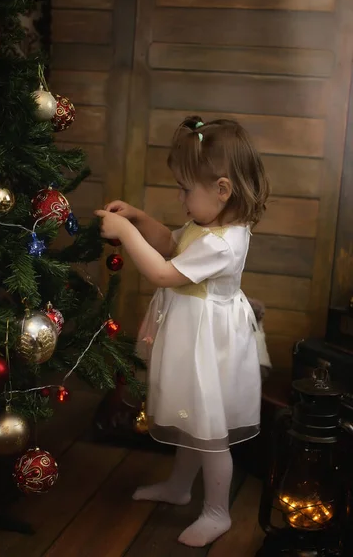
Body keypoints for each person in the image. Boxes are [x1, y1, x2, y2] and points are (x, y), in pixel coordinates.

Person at [95, 116, 270, 547]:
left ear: (223, 190)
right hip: (191, 340)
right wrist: (138, 218)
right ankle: (179, 486)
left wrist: (125, 232)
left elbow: (161, 271)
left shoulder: (224, 243)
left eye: (186, 189)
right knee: (194, 417)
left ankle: (217, 511)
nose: (181, 197)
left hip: (208, 348)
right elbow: (172, 245)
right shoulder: (207, 226)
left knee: (209, 433)